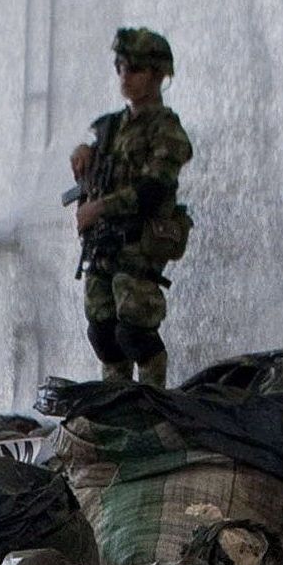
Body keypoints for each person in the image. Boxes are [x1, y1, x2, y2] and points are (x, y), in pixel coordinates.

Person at [69, 27, 193, 387]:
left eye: (135, 69)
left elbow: (154, 188)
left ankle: (153, 401)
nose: (126, 76)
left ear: (158, 75)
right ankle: (116, 402)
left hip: (139, 242)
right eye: (121, 67)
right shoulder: (111, 128)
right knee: (104, 334)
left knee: (135, 333)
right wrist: (85, 155)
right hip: (104, 242)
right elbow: (96, 166)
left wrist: (102, 208)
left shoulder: (166, 129)